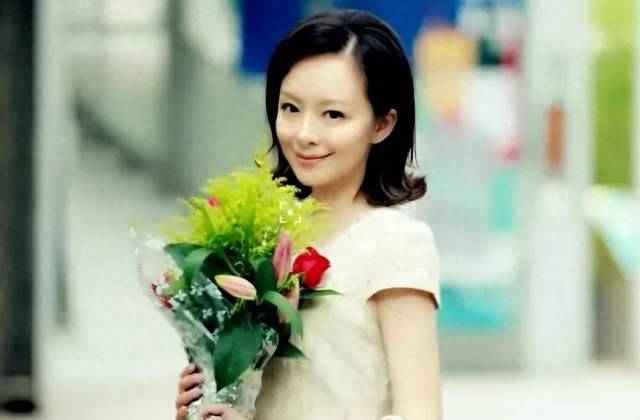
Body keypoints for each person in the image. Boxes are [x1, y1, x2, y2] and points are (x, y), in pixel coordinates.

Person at [175, 9, 442, 420]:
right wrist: (206, 397)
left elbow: (420, 414)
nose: (304, 134)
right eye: (290, 108)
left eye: (333, 114)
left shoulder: (395, 245)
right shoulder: (260, 239)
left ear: (383, 124)